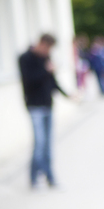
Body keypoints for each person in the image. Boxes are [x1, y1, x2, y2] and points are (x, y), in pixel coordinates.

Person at [18, 34, 68, 189]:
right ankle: (34, 179)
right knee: (39, 144)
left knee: (47, 145)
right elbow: (29, 81)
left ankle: (50, 178)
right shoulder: (25, 58)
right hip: (35, 106)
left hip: (48, 105)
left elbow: (53, 82)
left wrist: (68, 95)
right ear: (41, 44)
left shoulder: (47, 58)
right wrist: (46, 71)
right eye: (48, 48)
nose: (49, 51)